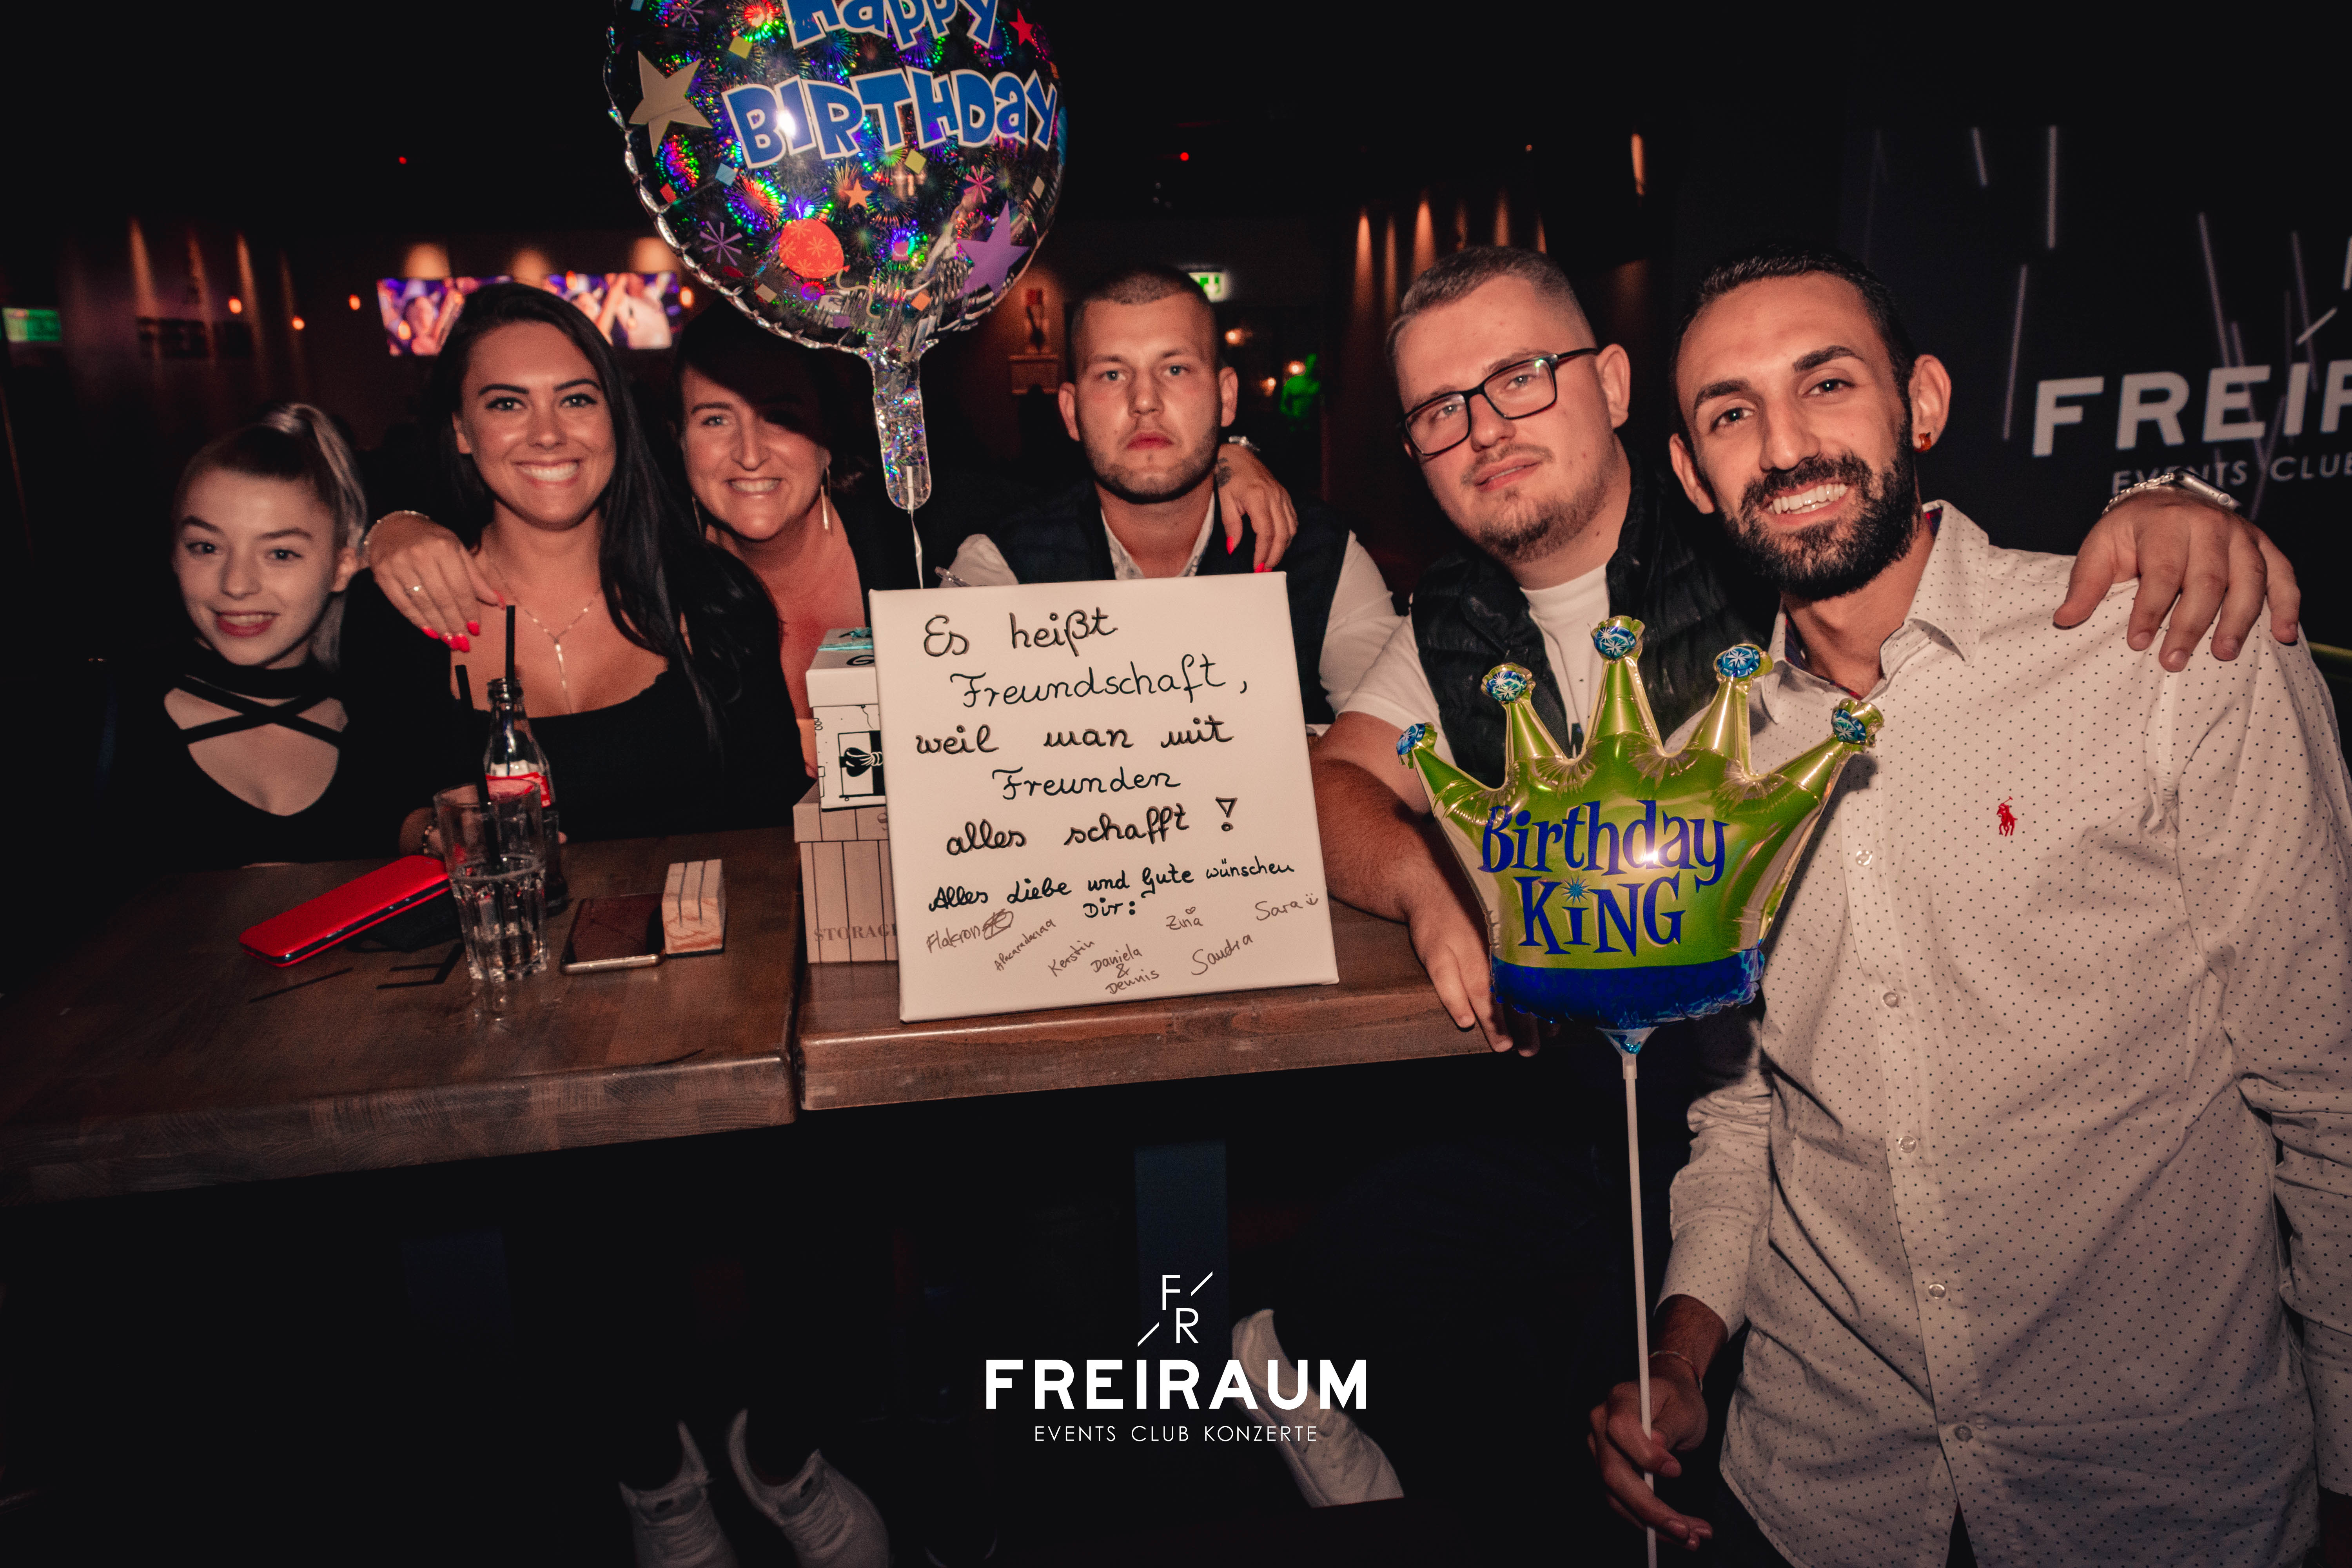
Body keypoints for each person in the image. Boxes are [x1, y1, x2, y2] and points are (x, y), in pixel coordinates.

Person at [1249, 243, 2305, 1549]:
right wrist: (1427, 888)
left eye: (1521, 377)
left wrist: (2177, 501)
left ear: (1614, 388)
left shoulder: (1769, 547)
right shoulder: (1465, 617)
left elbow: (1937, 555)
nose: (1487, 429)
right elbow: (1333, 781)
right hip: (1671, 1133)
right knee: (1372, 1271)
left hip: (1897, 1232)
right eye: (1439, 410)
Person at [1584, 243, 2351, 1566]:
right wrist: (1683, 1351)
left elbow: (2330, 1101)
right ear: (1692, 474)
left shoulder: (2168, 653)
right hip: (1821, 1500)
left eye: (1828, 383)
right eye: (1731, 413)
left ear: (1923, 404)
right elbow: (1752, 1109)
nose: (1786, 445)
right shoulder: (1704, 774)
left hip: (2160, 1507)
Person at [339, 282, 800, 848]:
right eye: (507, 404)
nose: (549, 435)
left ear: (615, 418)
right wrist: (444, 833)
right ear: (461, 429)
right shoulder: (397, 610)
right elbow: (367, 816)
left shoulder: (715, 598)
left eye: (577, 400)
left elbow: (778, 821)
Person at [941, 264, 1401, 726]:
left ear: (1226, 397)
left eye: (1175, 369)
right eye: (1112, 374)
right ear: (1071, 412)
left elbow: (1400, 736)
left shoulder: (1322, 554)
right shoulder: (1002, 566)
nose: (1145, 400)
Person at [90, 403, 420, 869]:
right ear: (174, 555)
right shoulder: (102, 717)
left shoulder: (379, 726)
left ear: (342, 567)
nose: (237, 585)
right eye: (206, 547)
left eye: (280, 553)